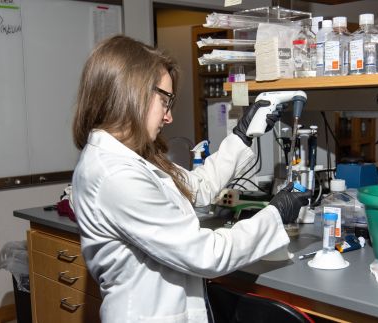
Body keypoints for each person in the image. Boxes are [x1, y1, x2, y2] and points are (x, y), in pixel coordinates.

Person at [72, 35, 309, 323]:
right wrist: (276, 214)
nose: (169, 117)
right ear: (132, 92)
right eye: (165, 100)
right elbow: (207, 255)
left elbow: (196, 187)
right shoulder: (115, 175)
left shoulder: (130, 156)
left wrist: (243, 136)